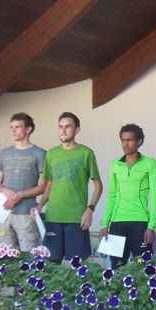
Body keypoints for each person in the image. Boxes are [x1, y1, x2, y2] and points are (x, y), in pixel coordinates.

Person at [39, 112, 102, 263]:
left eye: (67, 127)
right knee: (51, 263)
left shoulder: (86, 153)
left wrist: (90, 209)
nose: (63, 130)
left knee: (77, 264)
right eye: (60, 127)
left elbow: (98, 186)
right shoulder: (51, 154)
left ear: (77, 130)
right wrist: (39, 206)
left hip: (76, 218)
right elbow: (49, 185)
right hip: (53, 217)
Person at [100, 124, 156, 268]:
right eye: (123, 140)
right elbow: (112, 195)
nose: (125, 144)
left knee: (144, 266)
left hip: (140, 222)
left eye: (129, 140)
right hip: (117, 223)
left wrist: (151, 226)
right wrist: (104, 225)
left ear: (139, 142)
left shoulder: (150, 163)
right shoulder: (115, 164)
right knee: (116, 267)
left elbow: (154, 196)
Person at [0, 113, 46, 252]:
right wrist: (4, 190)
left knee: (29, 254)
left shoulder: (39, 153)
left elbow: (43, 186)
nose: (13, 130)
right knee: (2, 254)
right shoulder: (4, 153)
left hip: (26, 212)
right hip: (3, 211)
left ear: (28, 129)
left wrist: (20, 195)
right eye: (11, 127)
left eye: (17, 127)